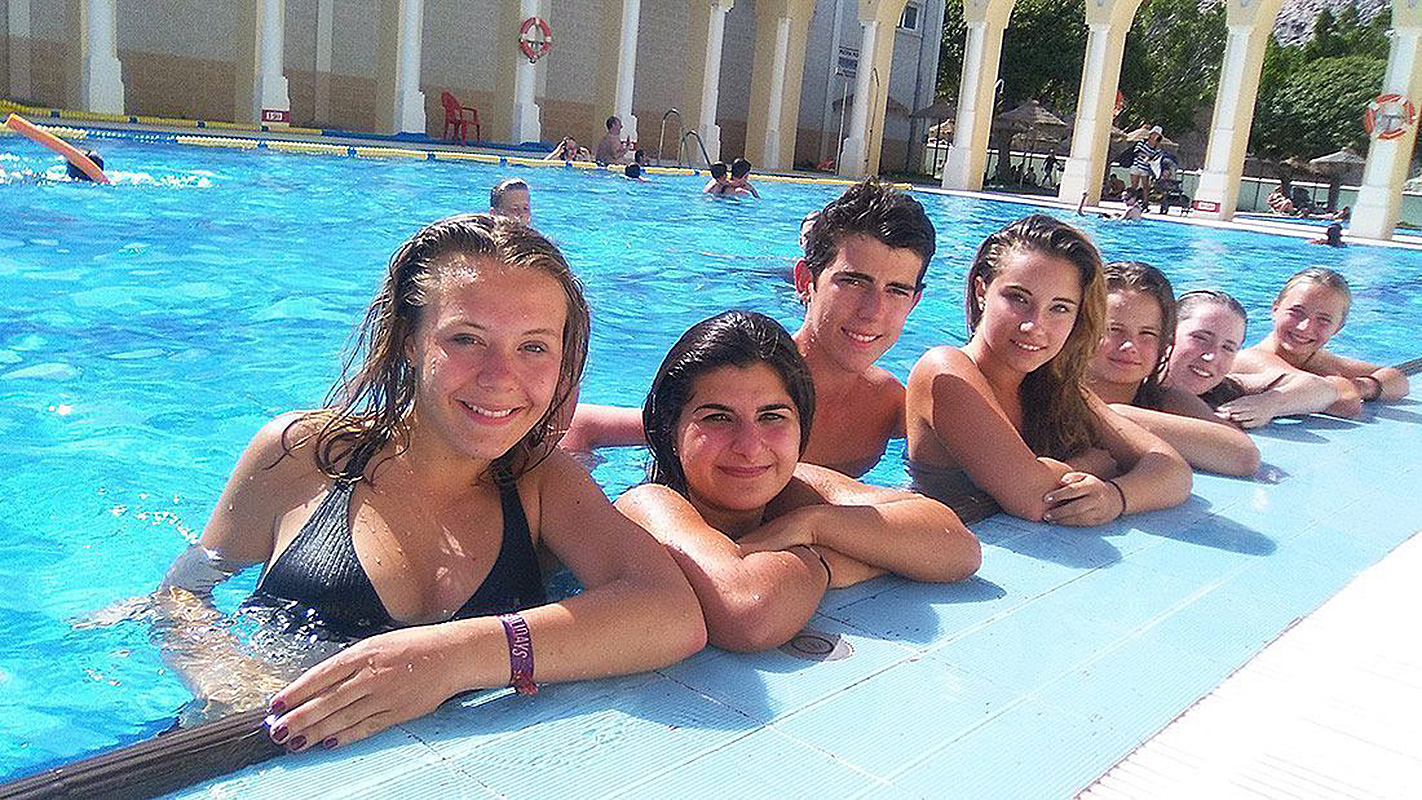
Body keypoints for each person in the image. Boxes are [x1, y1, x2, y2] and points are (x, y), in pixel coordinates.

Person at [156, 214, 705, 752]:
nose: (499, 377)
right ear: (409, 341)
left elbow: (671, 613)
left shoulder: (543, 482)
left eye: (533, 347)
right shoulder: (305, 454)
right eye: (466, 339)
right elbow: (184, 591)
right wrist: (231, 681)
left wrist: (450, 659)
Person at [615, 311, 980, 652]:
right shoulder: (647, 506)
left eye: (772, 416)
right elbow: (748, 614)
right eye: (717, 418)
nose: (749, 447)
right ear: (670, 429)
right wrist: (828, 560)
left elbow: (958, 547)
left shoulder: (795, 489)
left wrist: (813, 524)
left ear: (802, 426)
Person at [565, 180, 935, 477]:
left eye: (897, 290)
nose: (872, 311)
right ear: (805, 281)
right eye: (853, 282)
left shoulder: (887, 404)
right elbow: (581, 425)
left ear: (915, 301)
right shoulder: (742, 377)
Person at [906, 214, 1192, 525]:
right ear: (981, 291)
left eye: (1059, 308)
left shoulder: (1054, 386)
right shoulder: (944, 370)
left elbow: (1172, 469)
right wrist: (1091, 465)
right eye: (1018, 298)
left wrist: (1115, 497)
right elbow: (1033, 498)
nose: (1034, 326)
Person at [1086, 263, 1260, 476]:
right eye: (1113, 329)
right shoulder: (1053, 396)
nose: (1130, 346)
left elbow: (1244, 456)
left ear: (1165, 341)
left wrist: (1111, 416)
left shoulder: (1169, 401)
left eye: (1148, 333)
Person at [1228, 268, 1408, 421]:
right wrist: (1341, 383)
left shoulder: (1316, 359)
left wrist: (1362, 386)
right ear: (1275, 310)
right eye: (1296, 312)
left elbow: (1398, 379)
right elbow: (1346, 402)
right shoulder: (1251, 358)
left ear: (1338, 328)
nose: (1304, 327)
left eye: (1323, 320)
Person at [1160, 289, 1343, 430]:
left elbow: (1324, 389)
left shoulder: (1220, 392)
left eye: (1228, 348)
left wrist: (1270, 403)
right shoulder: (1142, 387)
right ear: (1167, 333)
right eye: (1200, 338)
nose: (1212, 356)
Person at [1128, 126, 1163, 193]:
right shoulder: (1143, 141)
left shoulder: (1157, 147)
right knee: (1134, 185)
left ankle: (1145, 199)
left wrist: (1150, 158)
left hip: (1145, 168)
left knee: (1145, 186)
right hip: (1136, 165)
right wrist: (1146, 156)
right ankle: (1132, 197)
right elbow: (1136, 151)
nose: (1154, 135)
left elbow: (1156, 157)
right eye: (1153, 133)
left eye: (1156, 134)